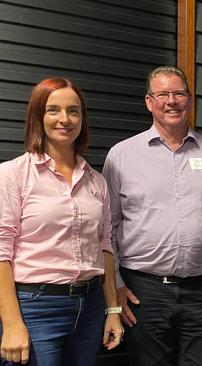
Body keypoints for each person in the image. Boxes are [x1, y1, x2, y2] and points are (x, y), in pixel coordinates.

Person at [102, 66, 202, 366]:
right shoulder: (121, 155)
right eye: (162, 94)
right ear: (149, 102)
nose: (171, 101)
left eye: (179, 93)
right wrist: (117, 285)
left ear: (190, 99)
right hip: (142, 291)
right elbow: (107, 228)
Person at [0, 77, 122, 365]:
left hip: (90, 307)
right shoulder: (12, 175)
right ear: (38, 116)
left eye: (74, 110)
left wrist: (112, 310)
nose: (64, 119)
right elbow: (1, 252)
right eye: (53, 110)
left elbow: (104, 246)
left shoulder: (97, 181)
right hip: (35, 308)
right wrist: (12, 323)